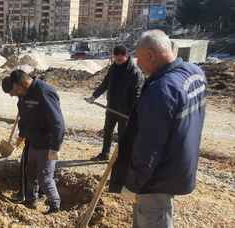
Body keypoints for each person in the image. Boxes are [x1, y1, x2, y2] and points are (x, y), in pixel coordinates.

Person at [120, 30, 207, 227]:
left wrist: (133, 183)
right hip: (179, 163)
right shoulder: (194, 72)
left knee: (153, 215)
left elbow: (148, 146)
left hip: (157, 176)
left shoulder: (161, 90)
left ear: (151, 55)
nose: (138, 64)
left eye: (139, 58)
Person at [9, 70, 65, 214]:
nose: (13, 93)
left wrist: (55, 147)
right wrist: (22, 135)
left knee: (45, 178)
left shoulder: (44, 91)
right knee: (31, 173)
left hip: (47, 145)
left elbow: (58, 122)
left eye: (15, 89)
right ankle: (31, 200)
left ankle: (55, 207)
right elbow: (25, 118)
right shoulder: (24, 95)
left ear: (21, 84)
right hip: (33, 142)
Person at [86, 45, 144, 161]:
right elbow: (105, 84)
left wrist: (133, 112)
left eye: (119, 59)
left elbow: (137, 94)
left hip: (125, 111)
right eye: (115, 59)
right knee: (107, 131)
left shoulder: (134, 72)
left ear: (126, 56)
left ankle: (121, 158)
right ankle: (105, 154)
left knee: (123, 136)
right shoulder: (113, 68)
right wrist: (94, 96)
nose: (117, 61)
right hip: (111, 107)